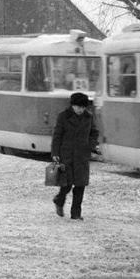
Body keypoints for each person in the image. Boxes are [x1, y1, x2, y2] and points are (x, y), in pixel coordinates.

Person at [51, 92, 99, 220]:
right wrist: (55, 153)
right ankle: (59, 200)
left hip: (82, 156)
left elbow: (94, 133)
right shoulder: (63, 117)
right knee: (66, 185)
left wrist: (91, 145)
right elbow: (57, 136)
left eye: (83, 107)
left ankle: (76, 214)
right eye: (78, 107)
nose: (81, 110)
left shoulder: (89, 117)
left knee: (80, 185)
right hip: (66, 155)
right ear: (72, 105)